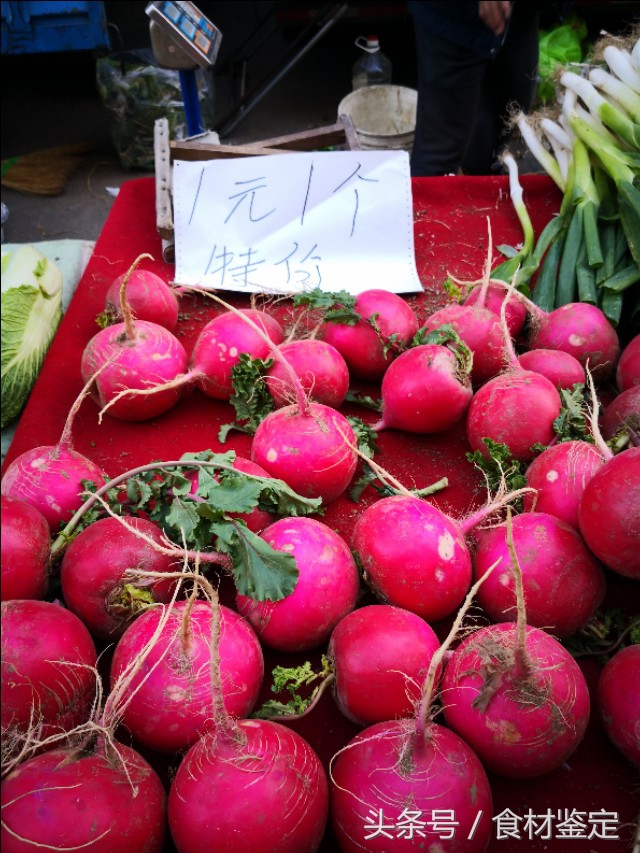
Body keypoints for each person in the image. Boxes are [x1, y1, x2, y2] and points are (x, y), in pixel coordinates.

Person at [408, 1, 543, 177]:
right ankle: (426, 200)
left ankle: (484, 190)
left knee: (507, 121)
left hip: (519, 10)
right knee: (441, 150)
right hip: (457, 14)